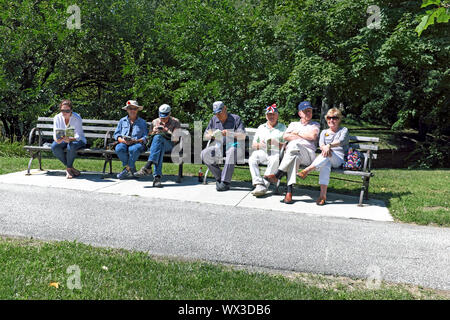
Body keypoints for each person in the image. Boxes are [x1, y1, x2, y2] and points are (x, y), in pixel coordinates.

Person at [264, 101, 320, 204]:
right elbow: (285, 136)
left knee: (293, 145)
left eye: (310, 111)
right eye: (306, 111)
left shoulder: (315, 124)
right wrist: (303, 135)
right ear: (300, 113)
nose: (308, 113)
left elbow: (313, 136)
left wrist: (296, 133)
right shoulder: (293, 124)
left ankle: (278, 174)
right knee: (293, 157)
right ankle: (289, 194)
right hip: (294, 154)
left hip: (307, 154)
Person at [297, 108, 349, 205]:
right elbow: (321, 145)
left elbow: (341, 141)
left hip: (339, 159)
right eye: (329, 118)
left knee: (328, 154)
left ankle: (307, 170)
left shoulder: (343, 130)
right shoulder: (324, 132)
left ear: (339, 119)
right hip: (326, 157)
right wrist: (325, 148)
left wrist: (329, 146)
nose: (331, 120)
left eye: (335, 118)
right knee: (326, 164)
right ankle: (322, 196)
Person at [201, 101, 246, 192]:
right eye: (216, 113)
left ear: (225, 108)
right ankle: (219, 178)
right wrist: (211, 135)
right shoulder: (214, 119)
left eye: (219, 112)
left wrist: (229, 133)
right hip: (219, 147)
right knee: (204, 153)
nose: (218, 115)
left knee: (231, 151)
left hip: (234, 147)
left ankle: (225, 182)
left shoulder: (236, 118)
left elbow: (243, 136)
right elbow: (206, 134)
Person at [134, 104, 181, 187]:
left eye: (165, 116)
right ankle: (157, 178)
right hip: (157, 146)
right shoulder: (155, 121)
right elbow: (148, 137)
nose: (163, 118)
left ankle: (148, 166)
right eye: (161, 116)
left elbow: (176, 139)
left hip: (170, 145)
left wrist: (166, 132)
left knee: (158, 139)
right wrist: (153, 132)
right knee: (159, 146)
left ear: (169, 113)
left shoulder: (175, 122)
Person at [249, 104, 286, 197]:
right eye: (269, 115)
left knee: (275, 159)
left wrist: (276, 143)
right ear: (266, 116)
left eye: (273, 114)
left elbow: (286, 146)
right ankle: (258, 183)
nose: (271, 117)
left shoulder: (283, 128)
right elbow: (253, 145)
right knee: (252, 158)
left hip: (276, 152)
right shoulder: (261, 127)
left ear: (277, 115)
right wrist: (259, 145)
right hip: (263, 151)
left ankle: (264, 185)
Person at [51, 99, 86, 179]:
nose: (65, 113)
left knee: (71, 146)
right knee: (54, 146)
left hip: (77, 140)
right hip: (64, 139)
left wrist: (70, 139)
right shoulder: (57, 117)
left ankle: (68, 169)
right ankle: (71, 168)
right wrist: (57, 139)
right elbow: (55, 132)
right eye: (63, 110)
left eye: (67, 110)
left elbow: (79, 135)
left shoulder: (76, 117)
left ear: (71, 110)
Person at [113, 100, 148, 179]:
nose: (132, 110)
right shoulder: (122, 121)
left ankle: (127, 169)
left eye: (134, 109)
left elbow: (146, 137)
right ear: (127, 110)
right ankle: (132, 168)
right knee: (119, 148)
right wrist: (122, 141)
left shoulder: (142, 122)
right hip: (124, 142)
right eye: (130, 108)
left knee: (133, 149)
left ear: (137, 110)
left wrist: (136, 141)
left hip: (137, 143)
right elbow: (116, 134)